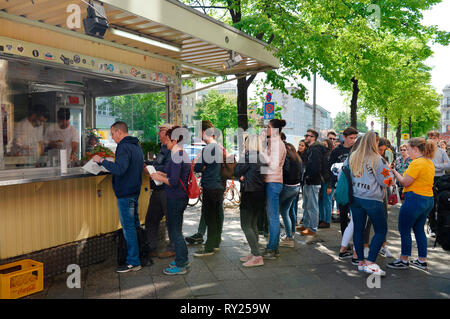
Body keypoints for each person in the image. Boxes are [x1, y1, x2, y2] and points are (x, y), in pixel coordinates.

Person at [93, 122, 144, 273]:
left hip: (125, 193)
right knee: (134, 225)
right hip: (135, 191)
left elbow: (120, 169)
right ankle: (139, 257)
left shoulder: (123, 146)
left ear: (119, 132)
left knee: (128, 228)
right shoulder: (136, 145)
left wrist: (102, 161)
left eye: (112, 134)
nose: (112, 137)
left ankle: (133, 262)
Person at [387, 138, 436, 270]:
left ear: (415, 149)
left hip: (415, 199)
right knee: (419, 230)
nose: (407, 152)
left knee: (404, 229)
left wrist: (394, 172)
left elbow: (405, 182)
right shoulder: (429, 162)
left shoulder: (416, 163)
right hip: (428, 199)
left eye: (408, 149)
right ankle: (422, 259)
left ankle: (404, 259)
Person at [348, 131, 391, 276]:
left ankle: (360, 261)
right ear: (374, 142)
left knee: (359, 230)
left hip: (356, 198)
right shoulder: (377, 159)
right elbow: (386, 182)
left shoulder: (353, 156)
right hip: (373, 199)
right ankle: (371, 262)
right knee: (380, 230)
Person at [150, 126, 191, 275]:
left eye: (167, 139)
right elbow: (174, 174)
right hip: (179, 196)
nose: (165, 142)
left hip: (176, 197)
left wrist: (158, 177)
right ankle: (183, 258)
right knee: (176, 231)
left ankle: (180, 265)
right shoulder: (179, 153)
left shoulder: (176, 155)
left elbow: (173, 181)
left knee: (175, 232)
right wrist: (162, 172)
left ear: (174, 140)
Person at [193, 120, 225, 257]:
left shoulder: (207, 149)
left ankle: (209, 248)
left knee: (210, 216)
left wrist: (202, 164)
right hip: (218, 186)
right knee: (216, 216)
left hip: (210, 186)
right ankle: (216, 243)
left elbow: (197, 167)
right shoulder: (218, 147)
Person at [144, 123, 176, 259]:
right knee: (151, 219)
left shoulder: (172, 149)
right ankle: (151, 247)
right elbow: (159, 165)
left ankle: (174, 248)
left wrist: (153, 169)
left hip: (166, 190)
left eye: (161, 131)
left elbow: (168, 168)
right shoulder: (163, 148)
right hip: (157, 189)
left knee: (171, 221)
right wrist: (150, 165)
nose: (159, 134)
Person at [234, 135, 266, 267]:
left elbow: (237, 171)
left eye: (246, 143)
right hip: (260, 194)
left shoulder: (248, 156)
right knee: (253, 225)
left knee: (246, 225)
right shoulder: (263, 157)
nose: (244, 146)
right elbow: (262, 175)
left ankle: (257, 256)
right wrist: (244, 176)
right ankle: (254, 252)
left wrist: (242, 176)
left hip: (249, 193)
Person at [261, 119, 286, 259]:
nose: (266, 129)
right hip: (272, 181)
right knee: (272, 216)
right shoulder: (273, 142)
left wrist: (261, 151)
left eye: (268, 127)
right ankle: (273, 247)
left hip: (273, 182)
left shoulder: (277, 143)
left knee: (273, 217)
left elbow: (272, 164)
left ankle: (272, 248)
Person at [297, 128, 329, 236]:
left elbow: (315, 167)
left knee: (312, 206)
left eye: (308, 135)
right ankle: (306, 224)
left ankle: (312, 228)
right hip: (309, 180)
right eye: (305, 135)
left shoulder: (315, 149)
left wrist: (309, 177)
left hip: (313, 181)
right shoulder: (312, 148)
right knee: (306, 205)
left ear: (313, 138)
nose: (306, 137)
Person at [328, 127, 359, 234]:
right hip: (341, 186)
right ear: (344, 137)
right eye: (351, 138)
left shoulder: (357, 150)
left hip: (355, 186)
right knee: (343, 214)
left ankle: (355, 239)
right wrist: (330, 185)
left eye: (355, 138)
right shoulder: (337, 151)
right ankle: (344, 240)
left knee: (356, 214)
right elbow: (330, 168)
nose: (353, 140)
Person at [427, 131, 450, 236]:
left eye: (434, 138)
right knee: (431, 202)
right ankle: (432, 227)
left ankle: (440, 226)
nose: (432, 139)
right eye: (430, 137)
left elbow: (448, 165)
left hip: (440, 179)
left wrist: (436, 166)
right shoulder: (425, 151)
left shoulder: (441, 152)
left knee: (440, 202)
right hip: (428, 178)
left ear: (438, 139)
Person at [279, 141, 302, 247]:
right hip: (296, 187)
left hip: (287, 187)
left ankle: (286, 236)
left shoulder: (286, 156)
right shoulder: (297, 158)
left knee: (275, 211)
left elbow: (285, 171)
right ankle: (290, 236)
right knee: (285, 212)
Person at [318, 139, 333, 228]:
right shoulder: (322, 154)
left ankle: (326, 221)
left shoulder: (330, 155)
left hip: (328, 182)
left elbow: (332, 171)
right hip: (321, 181)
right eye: (322, 144)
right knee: (321, 201)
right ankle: (322, 219)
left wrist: (330, 185)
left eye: (325, 144)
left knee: (327, 201)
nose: (323, 145)